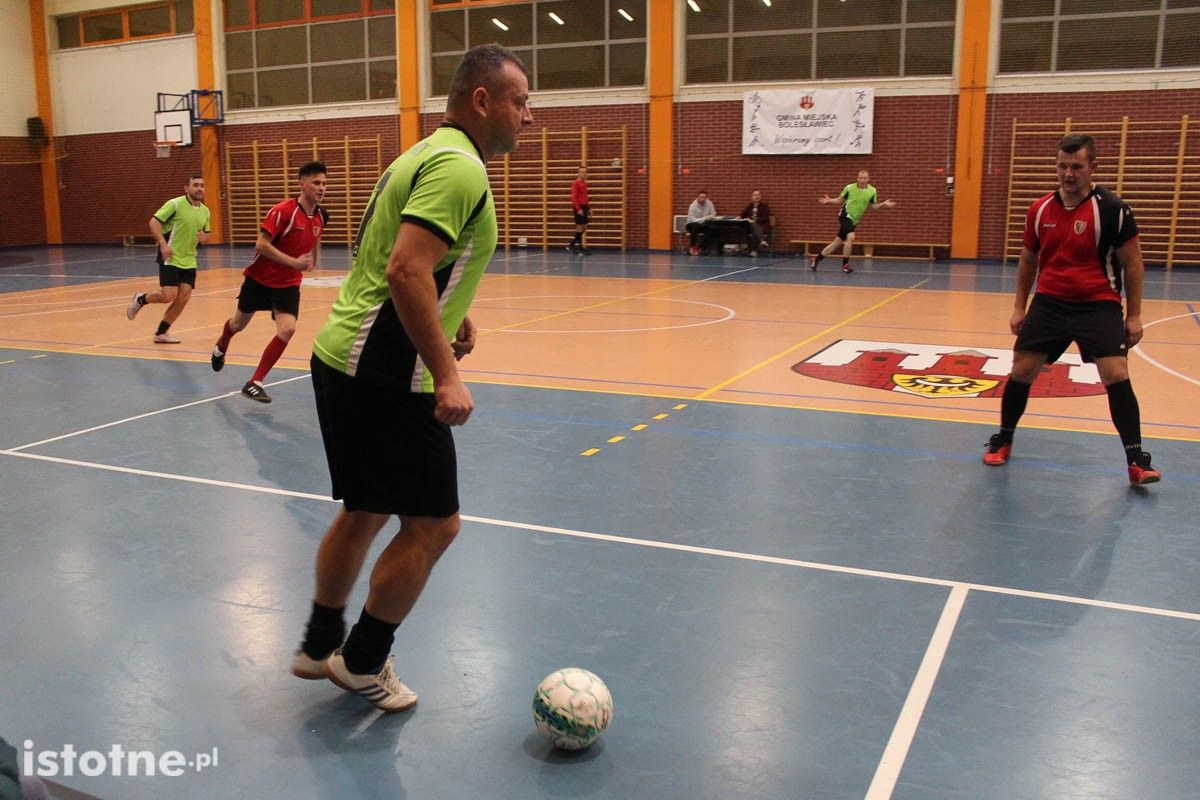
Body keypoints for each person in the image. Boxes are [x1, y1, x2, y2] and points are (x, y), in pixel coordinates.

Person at [292, 43, 533, 712]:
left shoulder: (421, 154)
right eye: (520, 100)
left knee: (366, 508)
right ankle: (363, 661)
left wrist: (453, 310)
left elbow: (397, 266)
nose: (529, 116)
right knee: (435, 527)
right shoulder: (461, 169)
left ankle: (318, 644)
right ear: (482, 101)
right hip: (388, 374)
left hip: (344, 355)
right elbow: (404, 269)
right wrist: (447, 372)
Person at [983, 133, 1162, 486]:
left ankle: (1137, 459)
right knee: (1022, 368)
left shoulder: (1113, 210)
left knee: (1116, 372)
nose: (1068, 174)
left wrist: (1134, 315)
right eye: (1062, 166)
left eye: (1076, 166)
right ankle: (1004, 437)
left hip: (1099, 304)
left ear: (1092, 167)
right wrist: (1020, 305)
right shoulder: (1040, 210)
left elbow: (1133, 263)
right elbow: (1029, 259)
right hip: (1049, 303)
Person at [210, 161, 329, 403]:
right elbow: (261, 245)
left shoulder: (321, 216)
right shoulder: (282, 211)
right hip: (260, 279)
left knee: (288, 329)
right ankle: (222, 344)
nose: (322, 188)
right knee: (238, 324)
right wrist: (294, 262)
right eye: (316, 183)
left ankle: (255, 381)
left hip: (288, 283)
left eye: (325, 183)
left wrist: (312, 259)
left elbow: (314, 235)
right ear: (302, 184)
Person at [126, 176, 211, 341]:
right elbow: (154, 222)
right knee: (168, 296)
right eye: (195, 185)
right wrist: (163, 244)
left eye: (202, 185)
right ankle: (141, 299)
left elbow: (207, 233)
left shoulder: (205, 211)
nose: (199, 189)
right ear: (187, 188)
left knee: (183, 297)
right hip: (170, 257)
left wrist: (204, 237)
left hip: (189, 259)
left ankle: (161, 333)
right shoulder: (175, 204)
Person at [811, 170, 895, 273]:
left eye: (864, 178)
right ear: (857, 178)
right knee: (851, 237)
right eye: (860, 178)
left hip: (854, 219)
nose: (862, 180)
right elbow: (840, 200)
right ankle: (845, 265)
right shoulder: (850, 188)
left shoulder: (872, 191)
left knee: (837, 243)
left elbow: (874, 206)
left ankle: (816, 259)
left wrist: (883, 204)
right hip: (845, 215)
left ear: (868, 179)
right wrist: (829, 200)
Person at [566, 165, 591, 255]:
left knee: (584, 227)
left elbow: (585, 197)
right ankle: (579, 248)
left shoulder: (584, 183)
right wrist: (578, 209)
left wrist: (589, 208)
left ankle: (571, 245)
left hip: (584, 207)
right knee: (580, 228)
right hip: (578, 207)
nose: (584, 174)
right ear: (579, 173)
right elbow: (573, 197)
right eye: (582, 172)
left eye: (585, 172)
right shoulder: (575, 183)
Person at [739, 190, 772, 256]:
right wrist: (739, 217)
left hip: (763, 226)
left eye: (758, 195)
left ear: (760, 197)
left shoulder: (765, 206)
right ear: (752, 197)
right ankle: (762, 241)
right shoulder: (750, 206)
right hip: (751, 226)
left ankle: (753, 250)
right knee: (747, 227)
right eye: (755, 195)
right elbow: (743, 214)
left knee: (754, 229)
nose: (756, 197)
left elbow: (765, 218)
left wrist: (755, 221)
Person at [685, 190, 716, 255]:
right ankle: (692, 247)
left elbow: (713, 213)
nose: (703, 199)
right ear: (698, 198)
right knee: (695, 227)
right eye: (701, 197)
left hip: (703, 224)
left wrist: (707, 218)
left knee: (711, 230)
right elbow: (692, 219)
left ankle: (699, 248)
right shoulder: (693, 205)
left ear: (706, 198)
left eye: (704, 197)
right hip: (691, 224)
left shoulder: (709, 203)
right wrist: (704, 218)